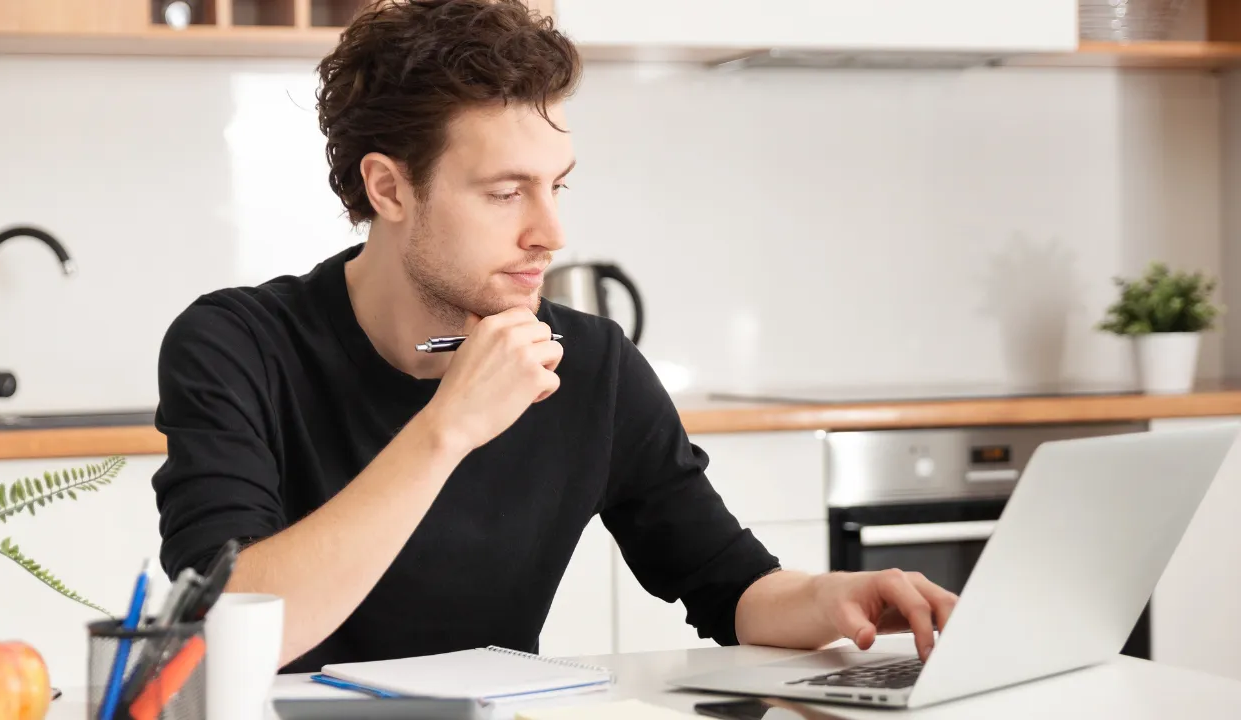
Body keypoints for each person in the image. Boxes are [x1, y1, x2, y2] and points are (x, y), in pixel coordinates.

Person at [151, 0, 958, 674]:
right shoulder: (237, 346)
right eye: (507, 193)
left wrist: (835, 597)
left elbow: (730, 586)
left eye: (557, 186)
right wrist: (447, 429)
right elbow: (226, 635)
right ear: (389, 188)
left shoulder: (593, 364)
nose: (551, 231)